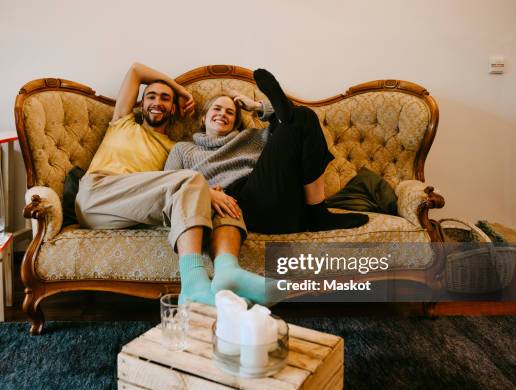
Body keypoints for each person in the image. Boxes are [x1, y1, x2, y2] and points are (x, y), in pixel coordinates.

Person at [164, 69, 369, 299]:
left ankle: (318, 212)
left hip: (273, 197)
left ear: (236, 121)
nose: (223, 114)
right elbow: (169, 184)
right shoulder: (183, 149)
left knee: (303, 117)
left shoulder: (251, 137)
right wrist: (207, 192)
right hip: (233, 207)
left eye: (230, 112)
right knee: (295, 118)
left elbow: (289, 122)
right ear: (203, 117)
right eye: (217, 109)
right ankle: (317, 215)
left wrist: (258, 108)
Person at [75, 62, 248, 306]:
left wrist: (209, 194)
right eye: (151, 97)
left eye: (165, 98)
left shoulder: (174, 149)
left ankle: (218, 277)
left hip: (128, 212)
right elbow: (136, 70)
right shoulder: (122, 122)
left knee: (202, 192)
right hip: (97, 194)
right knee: (193, 181)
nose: (157, 102)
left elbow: (181, 189)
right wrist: (180, 90)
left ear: (174, 109)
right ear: (141, 104)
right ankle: (194, 281)